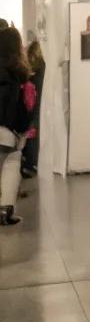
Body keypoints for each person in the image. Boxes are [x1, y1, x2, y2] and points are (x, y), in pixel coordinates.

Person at [0, 27, 33, 225]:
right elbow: (22, 111)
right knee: (12, 164)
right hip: (6, 132)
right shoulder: (19, 74)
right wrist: (21, 133)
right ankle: (5, 211)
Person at [22, 38, 45, 178]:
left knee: (32, 132)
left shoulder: (32, 75)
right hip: (38, 108)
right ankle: (32, 162)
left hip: (32, 109)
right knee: (34, 131)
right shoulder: (43, 70)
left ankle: (30, 162)